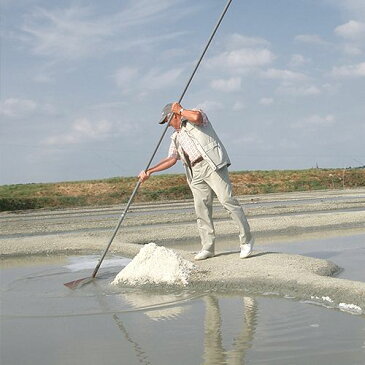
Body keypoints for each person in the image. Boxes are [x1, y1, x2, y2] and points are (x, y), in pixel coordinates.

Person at [138, 102, 254, 260]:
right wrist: (150, 171)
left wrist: (180, 109)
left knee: (227, 200)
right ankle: (208, 247)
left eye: (167, 120)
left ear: (175, 115)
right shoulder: (176, 137)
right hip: (195, 172)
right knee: (202, 209)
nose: (168, 125)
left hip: (212, 165)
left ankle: (246, 241)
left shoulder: (195, 117)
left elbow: (197, 117)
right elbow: (171, 159)